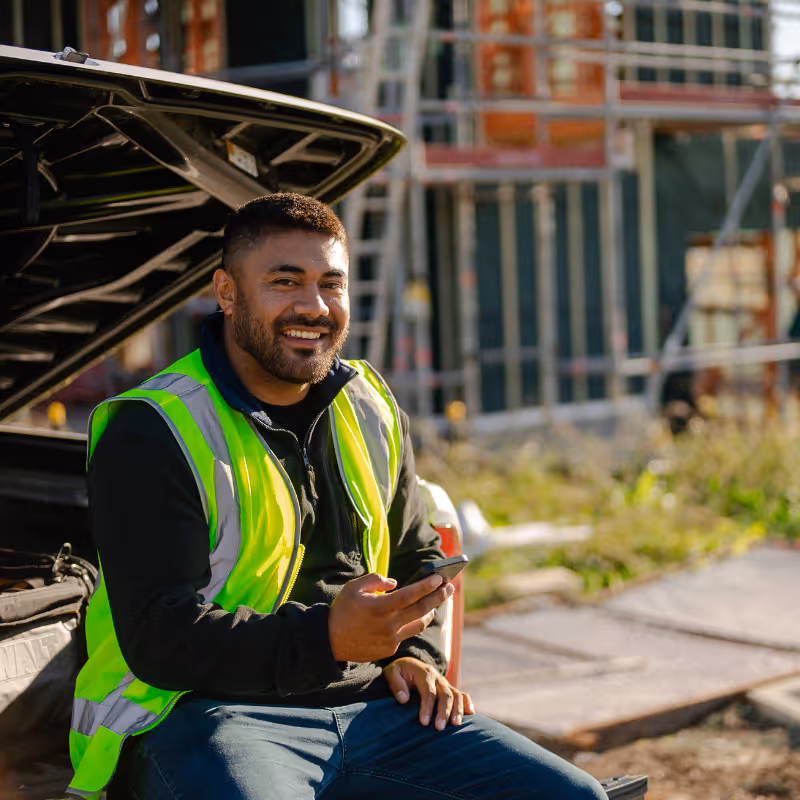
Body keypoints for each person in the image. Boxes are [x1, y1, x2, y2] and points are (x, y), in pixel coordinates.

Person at [68, 194, 606, 800]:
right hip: (208, 715)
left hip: (379, 708)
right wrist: (328, 641)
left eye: (332, 283)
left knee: (576, 796)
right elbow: (160, 637)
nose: (314, 306)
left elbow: (419, 557)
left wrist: (416, 656)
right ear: (226, 292)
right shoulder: (154, 428)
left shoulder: (370, 405)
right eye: (284, 281)